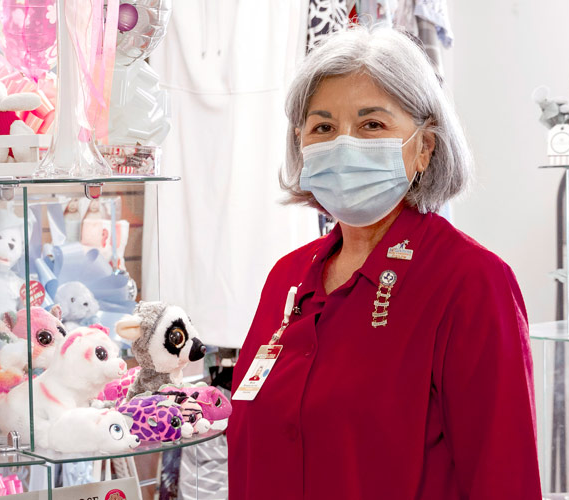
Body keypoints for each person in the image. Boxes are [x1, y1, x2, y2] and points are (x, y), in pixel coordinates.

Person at [227, 25, 541, 499]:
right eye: (323, 127)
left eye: (372, 125)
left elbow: (503, 477)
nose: (343, 144)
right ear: (301, 144)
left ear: (424, 147)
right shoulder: (287, 277)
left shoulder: (471, 281)